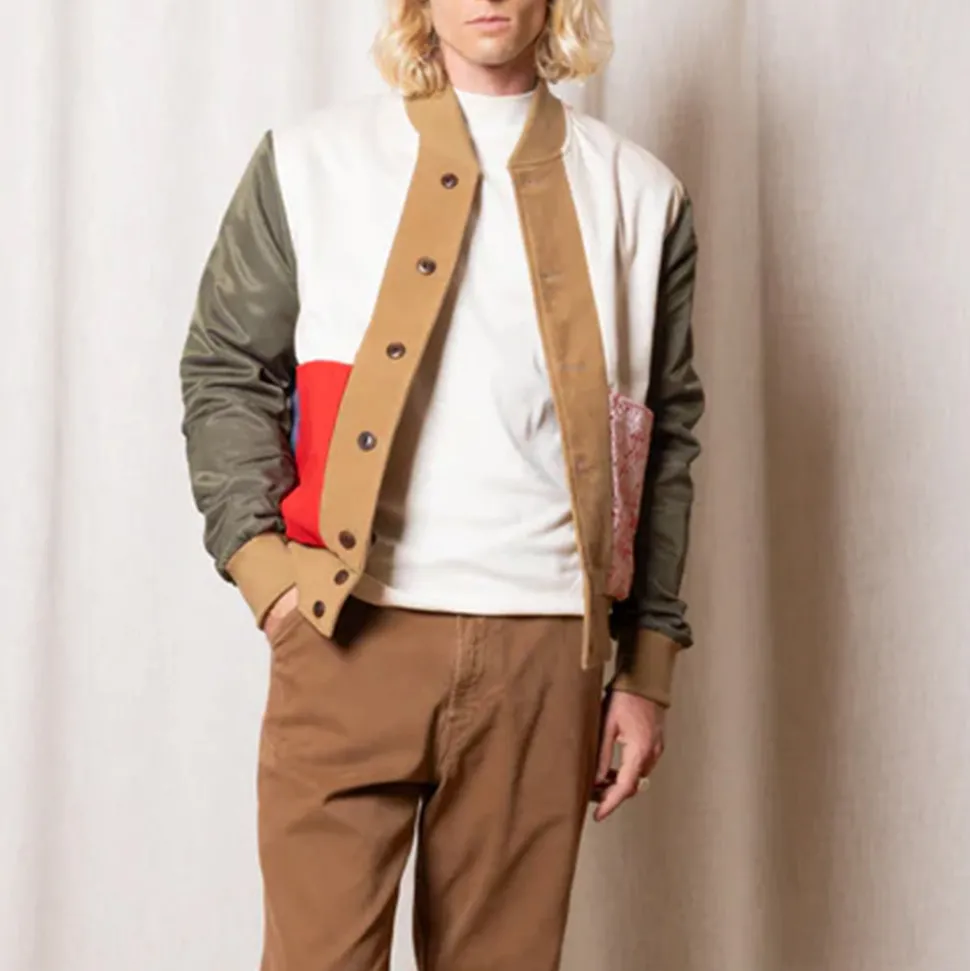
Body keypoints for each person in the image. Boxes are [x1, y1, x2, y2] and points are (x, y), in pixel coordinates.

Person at [180, 0, 703, 968]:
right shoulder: (308, 163)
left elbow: (664, 439)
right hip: (347, 633)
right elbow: (225, 367)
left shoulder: (642, 194)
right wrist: (269, 576)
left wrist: (645, 671)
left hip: (544, 655)